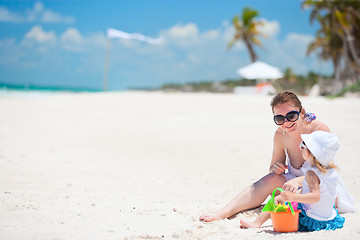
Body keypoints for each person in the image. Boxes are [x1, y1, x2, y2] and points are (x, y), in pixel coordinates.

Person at [199, 91, 355, 222]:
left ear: (302, 112)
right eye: (279, 119)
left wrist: (299, 180)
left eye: (291, 116)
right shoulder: (281, 134)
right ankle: (225, 211)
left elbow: (325, 170)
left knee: (298, 196)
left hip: (320, 186)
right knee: (269, 180)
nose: (286, 122)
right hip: (294, 184)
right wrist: (276, 168)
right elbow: (274, 166)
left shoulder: (319, 130)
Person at [240, 131, 345, 231]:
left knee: (278, 199)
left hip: (312, 220)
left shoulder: (311, 174)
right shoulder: (330, 171)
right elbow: (323, 192)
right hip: (328, 217)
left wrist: (293, 197)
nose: (300, 149)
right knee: (298, 192)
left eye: (302, 146)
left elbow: (315, 197)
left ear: (308, 153)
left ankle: (256, 223)